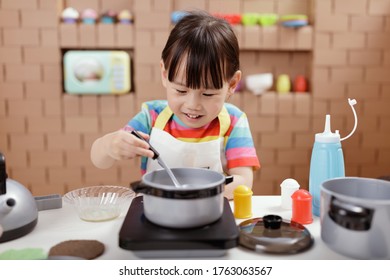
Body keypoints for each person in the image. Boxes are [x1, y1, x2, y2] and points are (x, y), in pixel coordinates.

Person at [90, 10, 260, 199]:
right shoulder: (151, 117)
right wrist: (109, 146)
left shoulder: (234, 121)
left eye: (208, 93)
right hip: (156, 214)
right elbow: (99, 161)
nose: (193, 104)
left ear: (232, 84)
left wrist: (190, 194)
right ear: (164, 74)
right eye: (181, 91)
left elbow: (244, 182)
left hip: (209, 214)